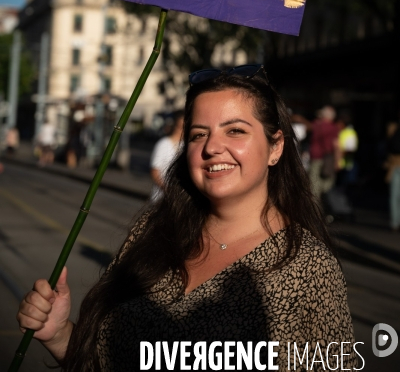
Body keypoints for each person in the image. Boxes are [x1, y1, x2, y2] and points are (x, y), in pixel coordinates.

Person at [17, 65, 357, 371]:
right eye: (198, 134)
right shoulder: (151, 233)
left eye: (235, 131)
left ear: (276, 147)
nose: (212, 147)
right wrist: (61, 335)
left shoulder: (311, 267)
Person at [149, 110, 184, 201]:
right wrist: (167, 190)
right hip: (161, 199)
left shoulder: (185, 145)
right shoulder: (163, 144)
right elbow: (155, 171)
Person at [384, 120, 400, 231]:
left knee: (394, 196)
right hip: (395, 165)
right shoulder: (393, 128)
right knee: (394, 196)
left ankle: (395, 223)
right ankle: (395, 222)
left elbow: (390, 147)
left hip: (395, 164)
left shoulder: (394, 129)